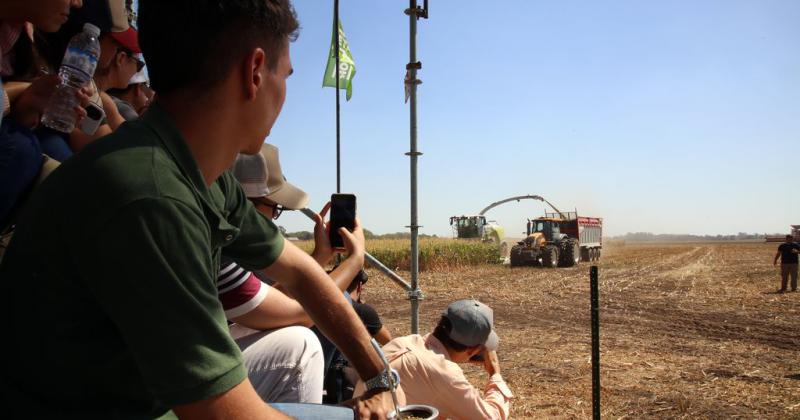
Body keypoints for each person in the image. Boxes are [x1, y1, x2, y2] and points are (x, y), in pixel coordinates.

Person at [0, 1, 393, 419]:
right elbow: (224, 414)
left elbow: (300, 271)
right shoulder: (150, 194)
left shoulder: (196, 170)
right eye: (286, 75)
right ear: (255, 71)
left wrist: (379, 377)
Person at [221, 142, 368, 404]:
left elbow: (273, 298)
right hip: (189, 375)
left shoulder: (223, 243)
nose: (275, 219)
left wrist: (321, 256)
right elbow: (305, 311)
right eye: (274, 208)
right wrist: (354, 261)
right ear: (245, 204)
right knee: (302, 346)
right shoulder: (224, 253)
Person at [355, 299, 514, 420]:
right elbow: (492, 417)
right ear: (472, 350)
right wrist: (495, 374)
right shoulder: (444, 373)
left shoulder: (404, 342)